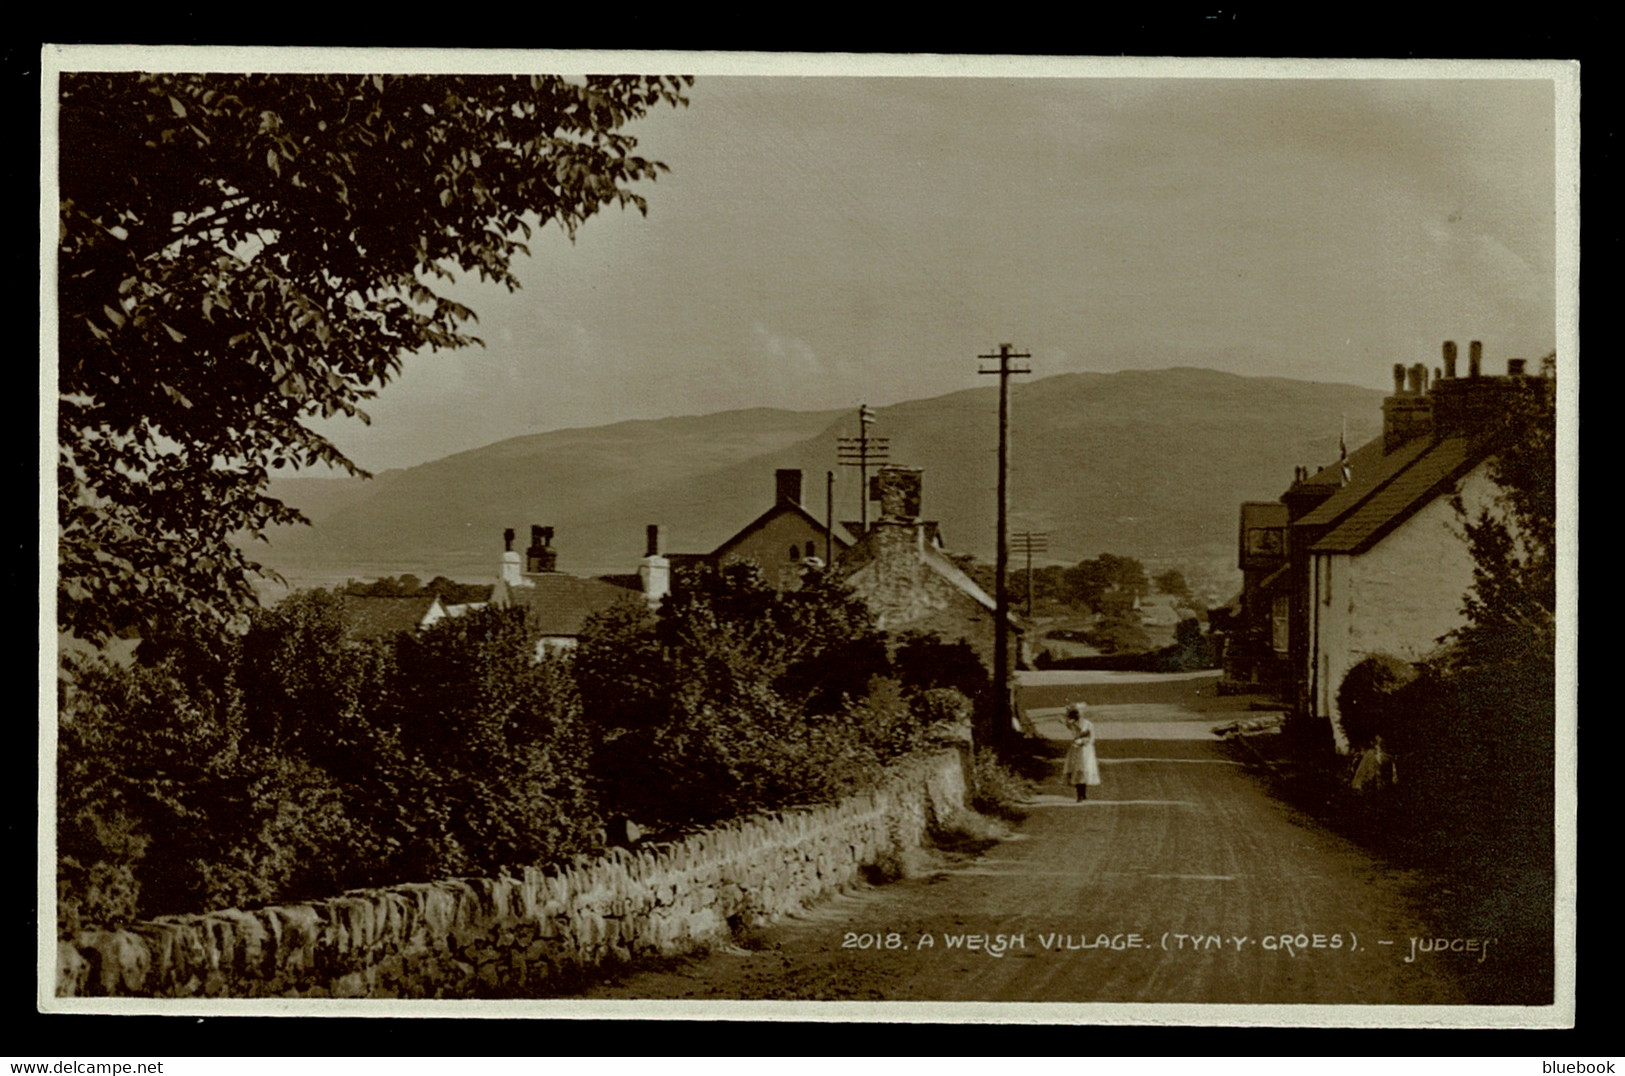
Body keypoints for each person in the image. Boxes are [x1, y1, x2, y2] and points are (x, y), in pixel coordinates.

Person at [1062, 703, 1101, 801]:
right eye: (1076, 714)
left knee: (1084, 770)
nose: (1078, 716)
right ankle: (1079, 795)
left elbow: (1092, 737)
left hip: (1086, 751)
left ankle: (1083, 794)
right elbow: (1066, 722)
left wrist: (1085, 742)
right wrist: (1067, 712)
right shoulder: (1072, 724)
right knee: (1077, 771)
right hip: (1076, 750)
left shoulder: (1088, 724)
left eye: (1079, 713)